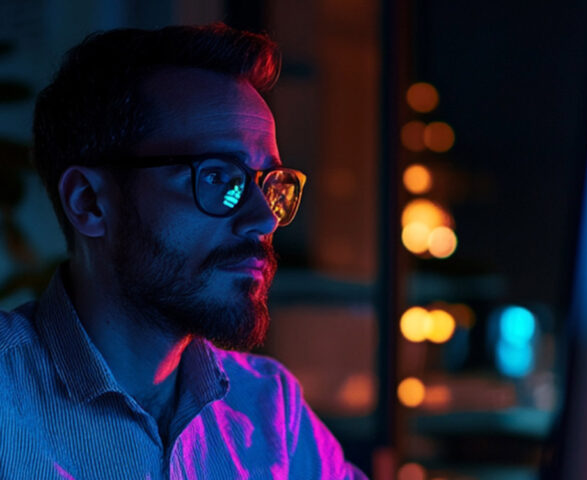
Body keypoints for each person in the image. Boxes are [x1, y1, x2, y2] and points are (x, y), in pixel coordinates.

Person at [0, 23, 366, 479]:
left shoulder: (271, 411)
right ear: (90, 203)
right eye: (217, 177)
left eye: (271, 185)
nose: (265, 219)